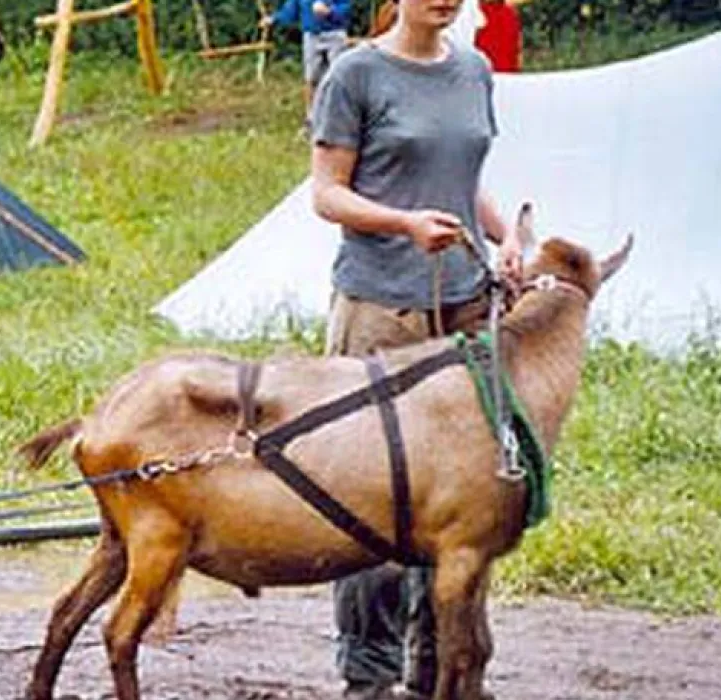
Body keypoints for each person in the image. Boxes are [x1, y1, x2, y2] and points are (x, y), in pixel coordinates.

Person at [308, 0, 522, 696]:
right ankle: (366, 676)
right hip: (380, 310)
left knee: (460, 501)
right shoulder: (355, 74)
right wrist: (401, 223)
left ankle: (442, 669)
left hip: (463, 310)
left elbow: (459, 177)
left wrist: (504, 235)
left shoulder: (475, 69)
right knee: (372, 501)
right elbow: (327, 195)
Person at [262, 0, 353, 125]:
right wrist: (274, 19)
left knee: (338, 77)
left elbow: (346, 7)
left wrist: (330, 12)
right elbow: (290, 10)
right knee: (311, 78)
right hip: (311, 35)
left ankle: (340, 118)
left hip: (335, 34)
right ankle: (311, 118)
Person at [474, 0, 523, 72]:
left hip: (508, 75)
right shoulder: (473, 12)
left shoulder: (510, 13)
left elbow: (518, 49)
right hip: (481, 76)